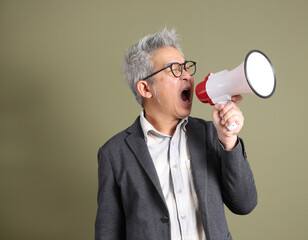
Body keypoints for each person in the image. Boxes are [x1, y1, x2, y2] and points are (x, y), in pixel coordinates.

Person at [95, 28, 257, 240]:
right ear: (145, 88)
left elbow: (245, 204)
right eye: (174, 70)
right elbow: (108, 232)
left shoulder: (211, 134)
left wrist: (229, 141)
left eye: (186, 67)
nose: (188, 76)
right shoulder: (114, 153)